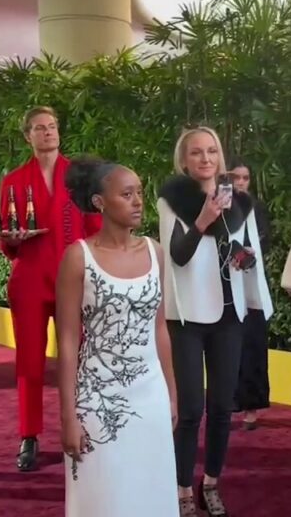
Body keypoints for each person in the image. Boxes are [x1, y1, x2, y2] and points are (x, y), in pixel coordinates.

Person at [158, 126, 273, 517]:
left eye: (211, 151)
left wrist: (243, 257)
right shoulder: (172, 198)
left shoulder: (238, 201)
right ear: (184, 160)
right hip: (188, 315)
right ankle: (182, 489)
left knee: (223, 407)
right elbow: (177, 256)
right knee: (191, 410)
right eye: (196, 153)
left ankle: (211, 482)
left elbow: (250, 257)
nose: (205, 159)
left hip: (230, 314)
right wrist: (204, 220)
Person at [56, 157, 179, 517]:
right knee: (105, 497)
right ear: (100, 202)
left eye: (140, 192)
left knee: (150, 491)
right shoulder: (78, 258)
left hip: (150, 394)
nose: (138, 201)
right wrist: (68, 415)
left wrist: (172, 394)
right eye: (127, 194)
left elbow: (161, 328)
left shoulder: (156, 252)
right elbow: (66, 340)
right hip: (97, 400)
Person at [0, 106, 102, 471]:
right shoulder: (13, 181)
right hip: (29, 278)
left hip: (73, 278)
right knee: (30, 360)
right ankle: (29, 434)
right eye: (40, 128)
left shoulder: (79, 175)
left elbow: (97, 227)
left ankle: (83, 423)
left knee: (78, 356)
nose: (48, 132)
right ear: (28, 135)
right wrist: (11, 239)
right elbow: (5, 238)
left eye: (53, 126)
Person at [228, 157, 272, 430]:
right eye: (236, 178)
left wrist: (248, 253)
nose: (241, 183)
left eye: (245, 178)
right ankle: (229, 404)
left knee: (254, 346)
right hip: (226, 285)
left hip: (252, 286)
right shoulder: (218, 207)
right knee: (230, 348)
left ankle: (252, 410)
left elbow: (264, 239)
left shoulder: (257, 208)